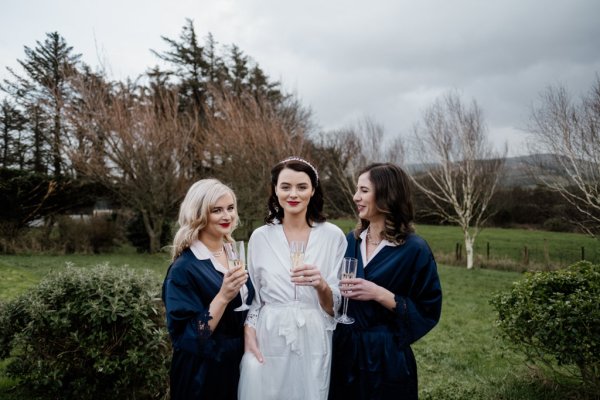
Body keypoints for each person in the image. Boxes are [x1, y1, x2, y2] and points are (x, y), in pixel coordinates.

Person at [329, 163, 442, 400]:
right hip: (345, 352)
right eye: (356, 190)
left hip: (387, 357)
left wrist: (380, 294)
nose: (355, 196)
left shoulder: (414, 249)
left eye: (364, 190)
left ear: (387, 195)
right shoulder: (350, 241)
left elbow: (428, 309)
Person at [238, 157, 347, 400]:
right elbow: (254, 298)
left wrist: (320, 285)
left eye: (302, 186)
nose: (293, 194)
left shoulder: (333, 237)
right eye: (285, 186)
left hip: (314, 335)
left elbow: (335, 309)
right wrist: (249, 330)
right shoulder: (260, 237)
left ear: (313, 190)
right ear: (275, 190)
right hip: (270, 334)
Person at [162, 178, 254, 400]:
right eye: (217, 210)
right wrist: (223, 297)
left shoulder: (232, 253)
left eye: (230, 208)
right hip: (202, 376)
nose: (227, 216)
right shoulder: (184, 269)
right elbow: (189, 336)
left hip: (235, 367)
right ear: (199, 215)